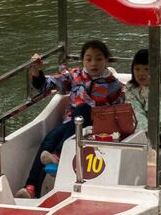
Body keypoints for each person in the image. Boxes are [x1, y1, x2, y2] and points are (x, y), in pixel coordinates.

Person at [22, 40, 124, 197]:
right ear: (83, 60)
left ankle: (57, 154)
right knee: (50, 137)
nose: (93, 63)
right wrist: (36, 72)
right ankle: (31, 187)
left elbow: (119, 111)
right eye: (88, 59)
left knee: (83, 108)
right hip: (70, 124)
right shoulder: (75, 75)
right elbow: (48, 85)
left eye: (98, 59)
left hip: (95, 126)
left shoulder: (114, 85)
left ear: (106, 60)